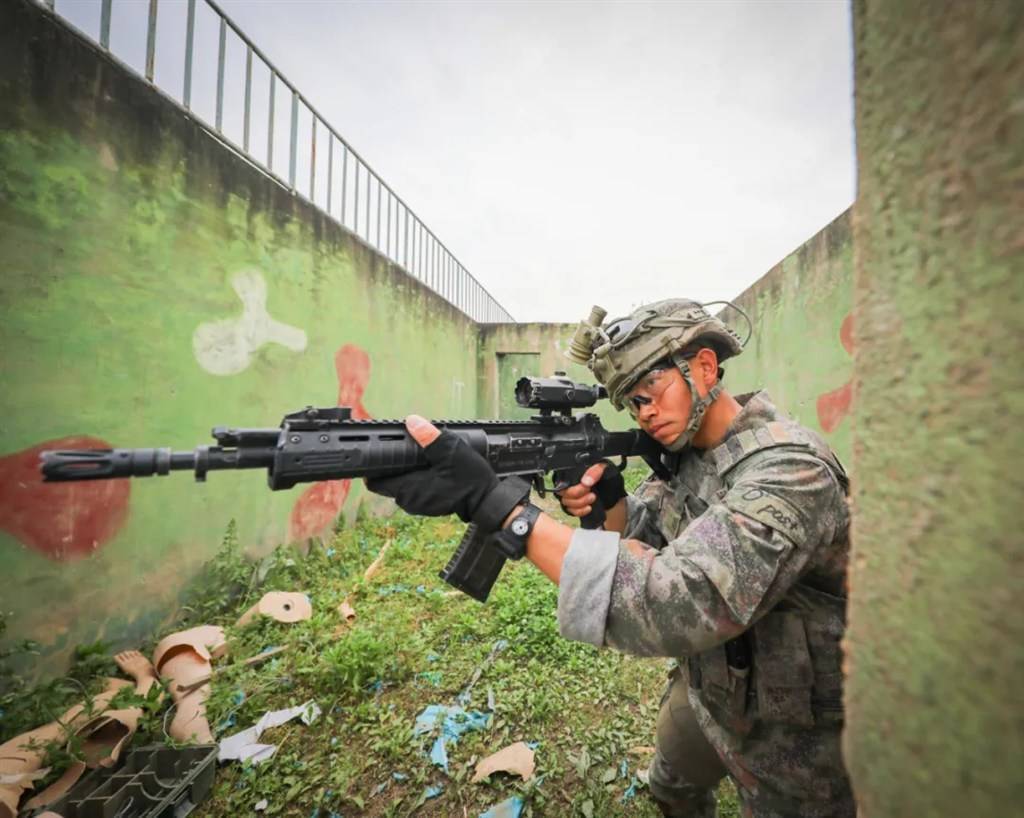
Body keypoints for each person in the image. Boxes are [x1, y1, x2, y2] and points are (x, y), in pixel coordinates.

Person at [366, 299, 854, 818]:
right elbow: (651, 541)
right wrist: (612, 502)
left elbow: (679, 601)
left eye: (652, 393)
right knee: (671, 787)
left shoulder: (791, 471)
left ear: (706, 367)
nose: (644, 413)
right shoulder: (689, 453)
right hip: (715, 690)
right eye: (631, 403)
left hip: (800, 733)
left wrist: (506, 512)